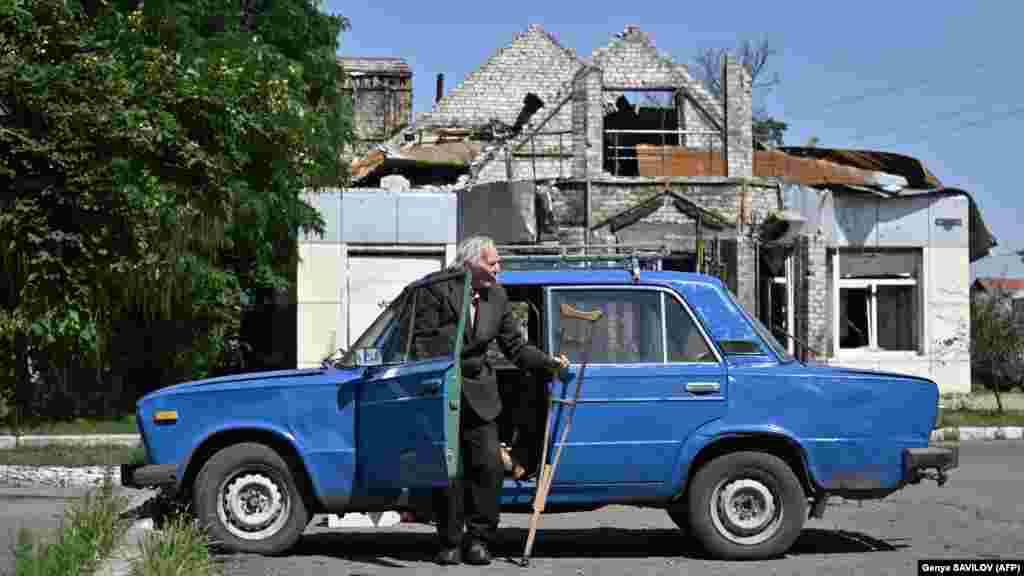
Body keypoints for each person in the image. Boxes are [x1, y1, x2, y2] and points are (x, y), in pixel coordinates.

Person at [413, 235, 570, 566]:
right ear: (470, 263)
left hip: (481, 394)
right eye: (493, 262)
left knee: (488, 465)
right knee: (449, 470)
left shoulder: (497, 296)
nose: (499, 268)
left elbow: (515, 347)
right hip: (443, 392)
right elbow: (421, 342)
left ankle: (480, 540)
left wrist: (550, 364)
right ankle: (450, 541)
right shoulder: (436, 289)